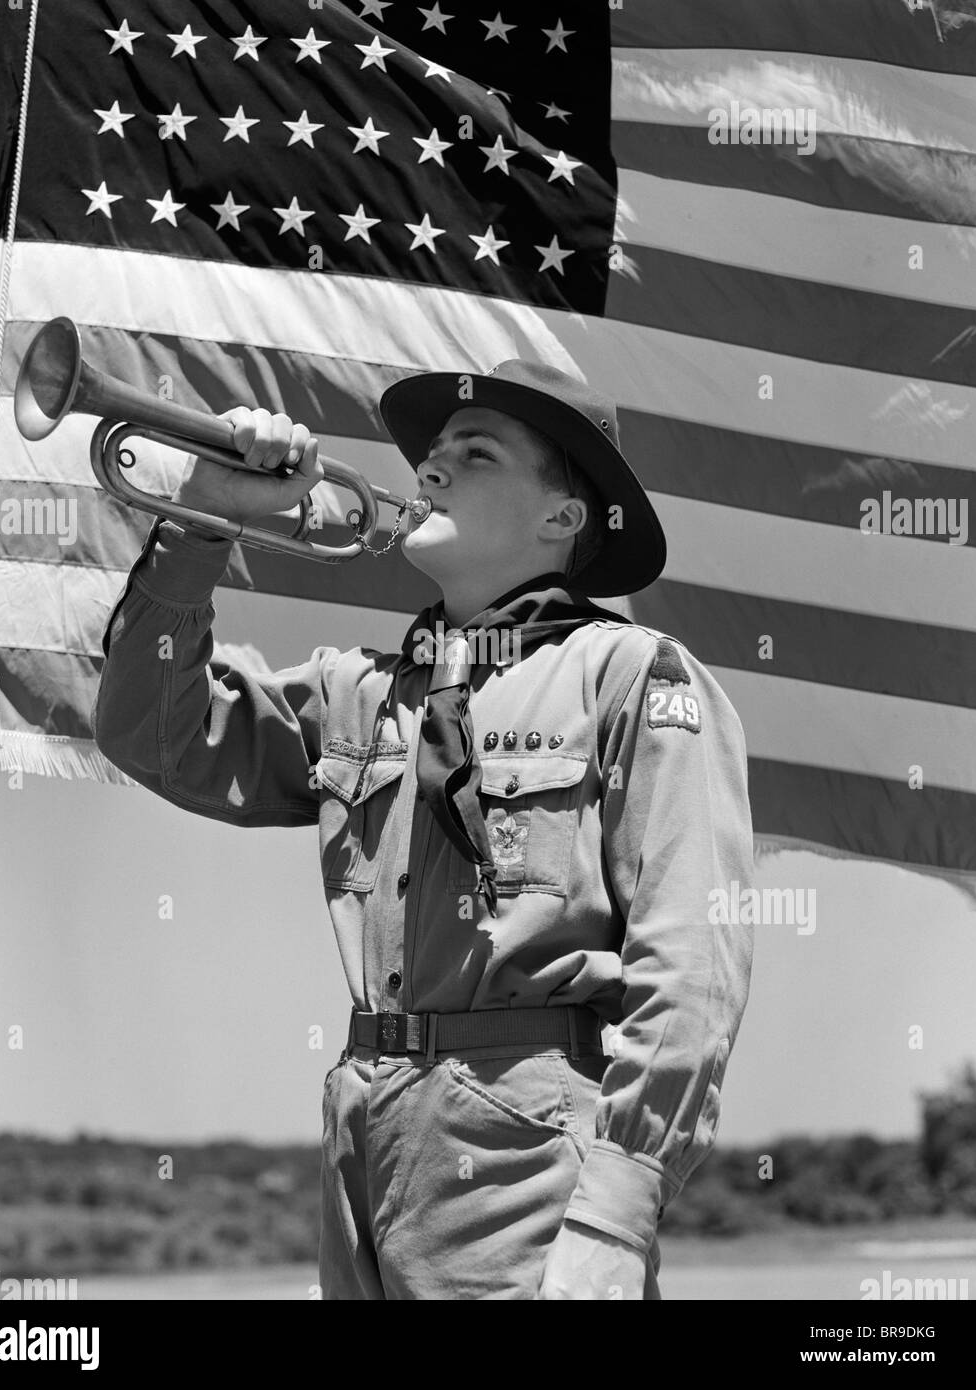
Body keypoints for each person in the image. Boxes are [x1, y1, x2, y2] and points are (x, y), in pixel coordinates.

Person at [91, 360, 755, 1300]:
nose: (429, 471)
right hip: (362, 1131)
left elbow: (691, 961)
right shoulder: (357, 691)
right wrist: (204, 516)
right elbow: (151, 736)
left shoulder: (633, 676)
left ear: (563, 519)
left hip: (524, 1143)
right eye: (431, 455)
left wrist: (617, 1209)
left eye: (473, 454)